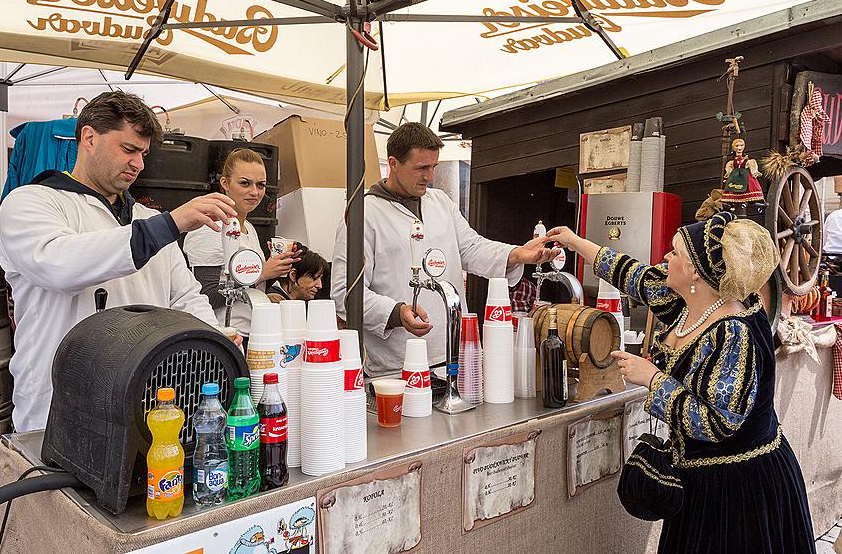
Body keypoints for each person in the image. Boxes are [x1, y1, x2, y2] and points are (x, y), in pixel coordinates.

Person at [546, 212, 815, 554]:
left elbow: (718, 423)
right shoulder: (690, 301)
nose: (665, 259)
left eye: (673, 253)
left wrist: (653, 379)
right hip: (701, 484)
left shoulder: (735, 332)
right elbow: (635, 276)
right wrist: (573, 241)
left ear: (694, 272)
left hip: (739, 492)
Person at [0, 91, 238, 432]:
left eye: (143, 154)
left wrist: (214, 338)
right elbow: (59, 265)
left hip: (144, 405)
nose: (138, 164)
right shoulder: (30, 203)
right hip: (57, 409)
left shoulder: (145, 218)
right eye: (128, 149)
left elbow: (184, 298)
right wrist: (169, 224)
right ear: (89, 138)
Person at [331, 122, 559, 377]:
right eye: (421, 168)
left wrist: (516, 254)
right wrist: (396, 313)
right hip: (397, 368)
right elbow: (345, 292)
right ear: (393, 163)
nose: (429, 176)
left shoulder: (440, 202)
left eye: (433, 167)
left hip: (454, 355)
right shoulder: (364, 215)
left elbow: (471, 248)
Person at [183, 148, 298, 335]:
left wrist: (278, 266)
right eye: (245, 183)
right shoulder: (209, 228)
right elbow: (205, 295)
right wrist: (261, 272)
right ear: (225, 183)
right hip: (223, 335)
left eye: (260, 185)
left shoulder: (249, 229)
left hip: (253, 332)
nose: (254, 192)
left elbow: (252, 290)